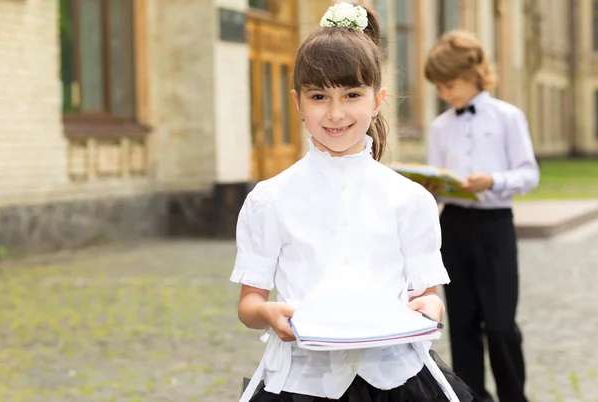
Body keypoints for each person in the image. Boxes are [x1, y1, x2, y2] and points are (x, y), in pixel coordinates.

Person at [230, 3, 473, 402]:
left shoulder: (409, 199)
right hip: (302, 380)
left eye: (352, 94)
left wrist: (427, 311)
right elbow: (250, 303)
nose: (336, 112)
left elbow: (429, 295)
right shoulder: (269, 199)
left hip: (397, 377)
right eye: (319, 96)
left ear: (377, 100)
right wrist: (269, 314)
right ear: (298, 102)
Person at [423, 30, 539, 402]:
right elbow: (437, 178)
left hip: (495, 227)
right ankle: (472, 398)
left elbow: (529, 174)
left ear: (472, 73)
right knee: (462, 324)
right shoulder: (439, 127)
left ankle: (513, 396)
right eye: (438, 88)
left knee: (502, 324)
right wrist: (431, 188)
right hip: (453, 227)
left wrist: (493, 180)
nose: (444, 94)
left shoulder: (508, 117)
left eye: (449, 84)